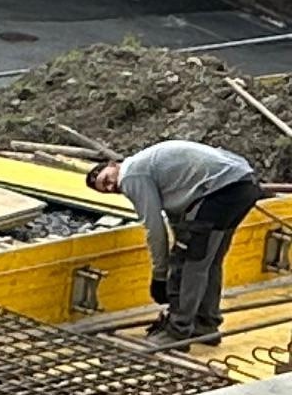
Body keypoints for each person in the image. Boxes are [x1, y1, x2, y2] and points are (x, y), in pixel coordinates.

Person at [88, 136, 266, 347]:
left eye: (106, 180)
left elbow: (154, 229)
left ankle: (177, 331)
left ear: (113, 165)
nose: (110, 187)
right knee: (209, 262)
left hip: (219, 191)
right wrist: (179, 244)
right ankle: (205, 324)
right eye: (105, 190)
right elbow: (177, 218)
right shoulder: (150, 166)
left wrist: (160, 276)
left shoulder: (130, 175)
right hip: (243, 185)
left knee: (187, 264)